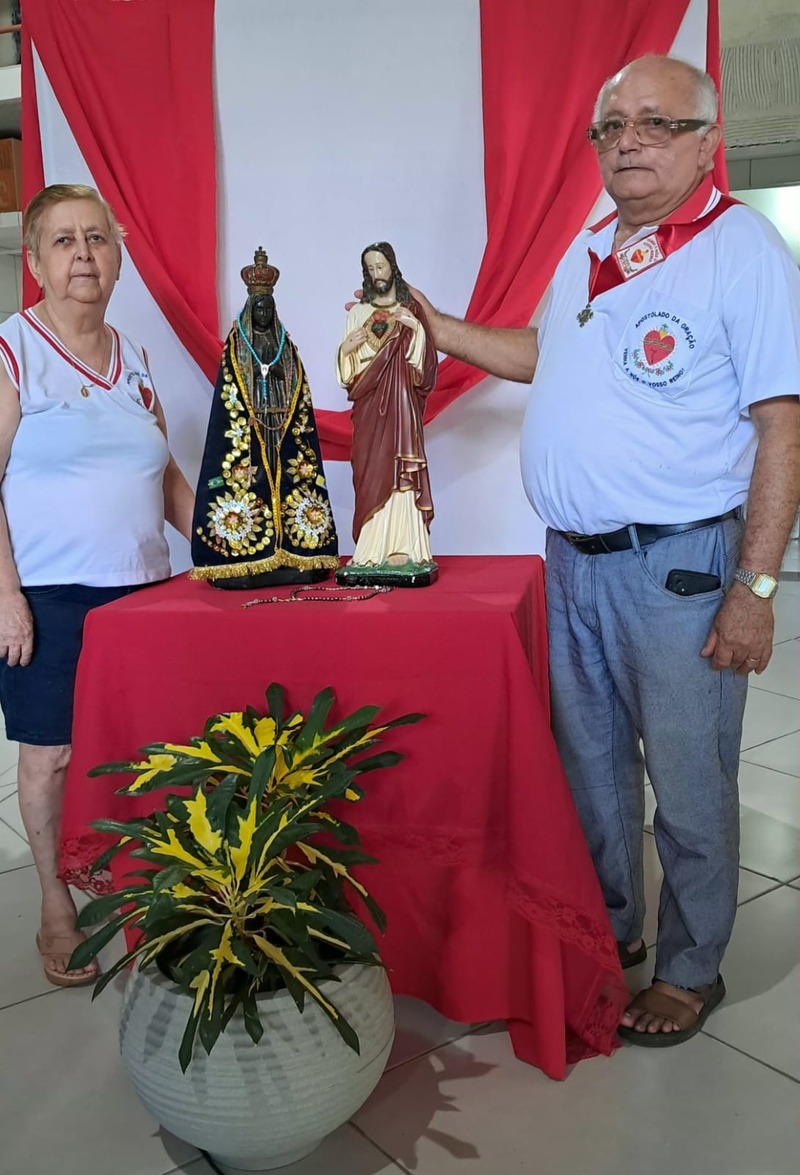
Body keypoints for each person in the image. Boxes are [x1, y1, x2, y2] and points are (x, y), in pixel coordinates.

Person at [401, 57, 800, 1044]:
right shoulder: (590, 247)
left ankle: (691, 966)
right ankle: (611, 928)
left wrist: (754, 587)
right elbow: (548, 356)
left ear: (706, 142)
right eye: (611, 126)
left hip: (676, 566)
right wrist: (439, 329)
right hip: (571, 562)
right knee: (591, 768)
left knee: (688, 776)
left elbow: (781, 425)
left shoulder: (739, 249)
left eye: (655, 123)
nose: (627, 141)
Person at [0, 184, 195, 986]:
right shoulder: (13, 350)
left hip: (143, 591)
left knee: (146, 748)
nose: (84, 254)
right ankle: (56, 902)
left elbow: (164, 475)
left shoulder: (134, 357)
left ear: (116, 258)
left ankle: (146, 884)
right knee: (51, 757)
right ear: (34, 260)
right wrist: (4, 596)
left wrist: (230, 546)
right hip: (47, 596)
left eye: (97, 239)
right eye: (64, 240)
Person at [191, 247, 338, 587]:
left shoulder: (284, 344)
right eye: (258, 308)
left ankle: (290, 550)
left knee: (285, 476)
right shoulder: (237, 346)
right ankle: (249, 555)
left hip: (280, 423)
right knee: (254, 479)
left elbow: (293, 380)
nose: (263, 313)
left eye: (267, 308)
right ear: (250, 308)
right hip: (251, 424)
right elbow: (232, 389)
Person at [336, 242, 438, 583]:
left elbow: (424, 370)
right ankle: (370, 550)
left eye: (380, 266)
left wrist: (417, 329)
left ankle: (405, 547)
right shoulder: (358, 313)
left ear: (392, 266)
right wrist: (345, 350)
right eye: (370, 268)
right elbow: (348, 376)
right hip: (368, 407)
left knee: (400, 468)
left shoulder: (410, 311)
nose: (376, 273)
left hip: (401, 406)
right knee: (371, 468)